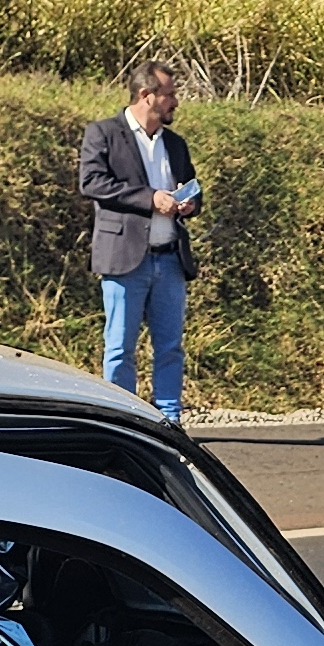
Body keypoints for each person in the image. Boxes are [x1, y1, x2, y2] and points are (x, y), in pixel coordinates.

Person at [77, 59, 203, 417]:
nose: (175, 102)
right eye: (169, 95)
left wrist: (189, 203)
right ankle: (123, 417)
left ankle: (170, 420)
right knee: (119, 348)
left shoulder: (175, 144)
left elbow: (193, 189)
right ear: (146, 95)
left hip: (169, 257)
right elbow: (93, 183)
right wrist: (150, 198)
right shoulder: (103, 133)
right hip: (125, 255)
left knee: (171, 347)